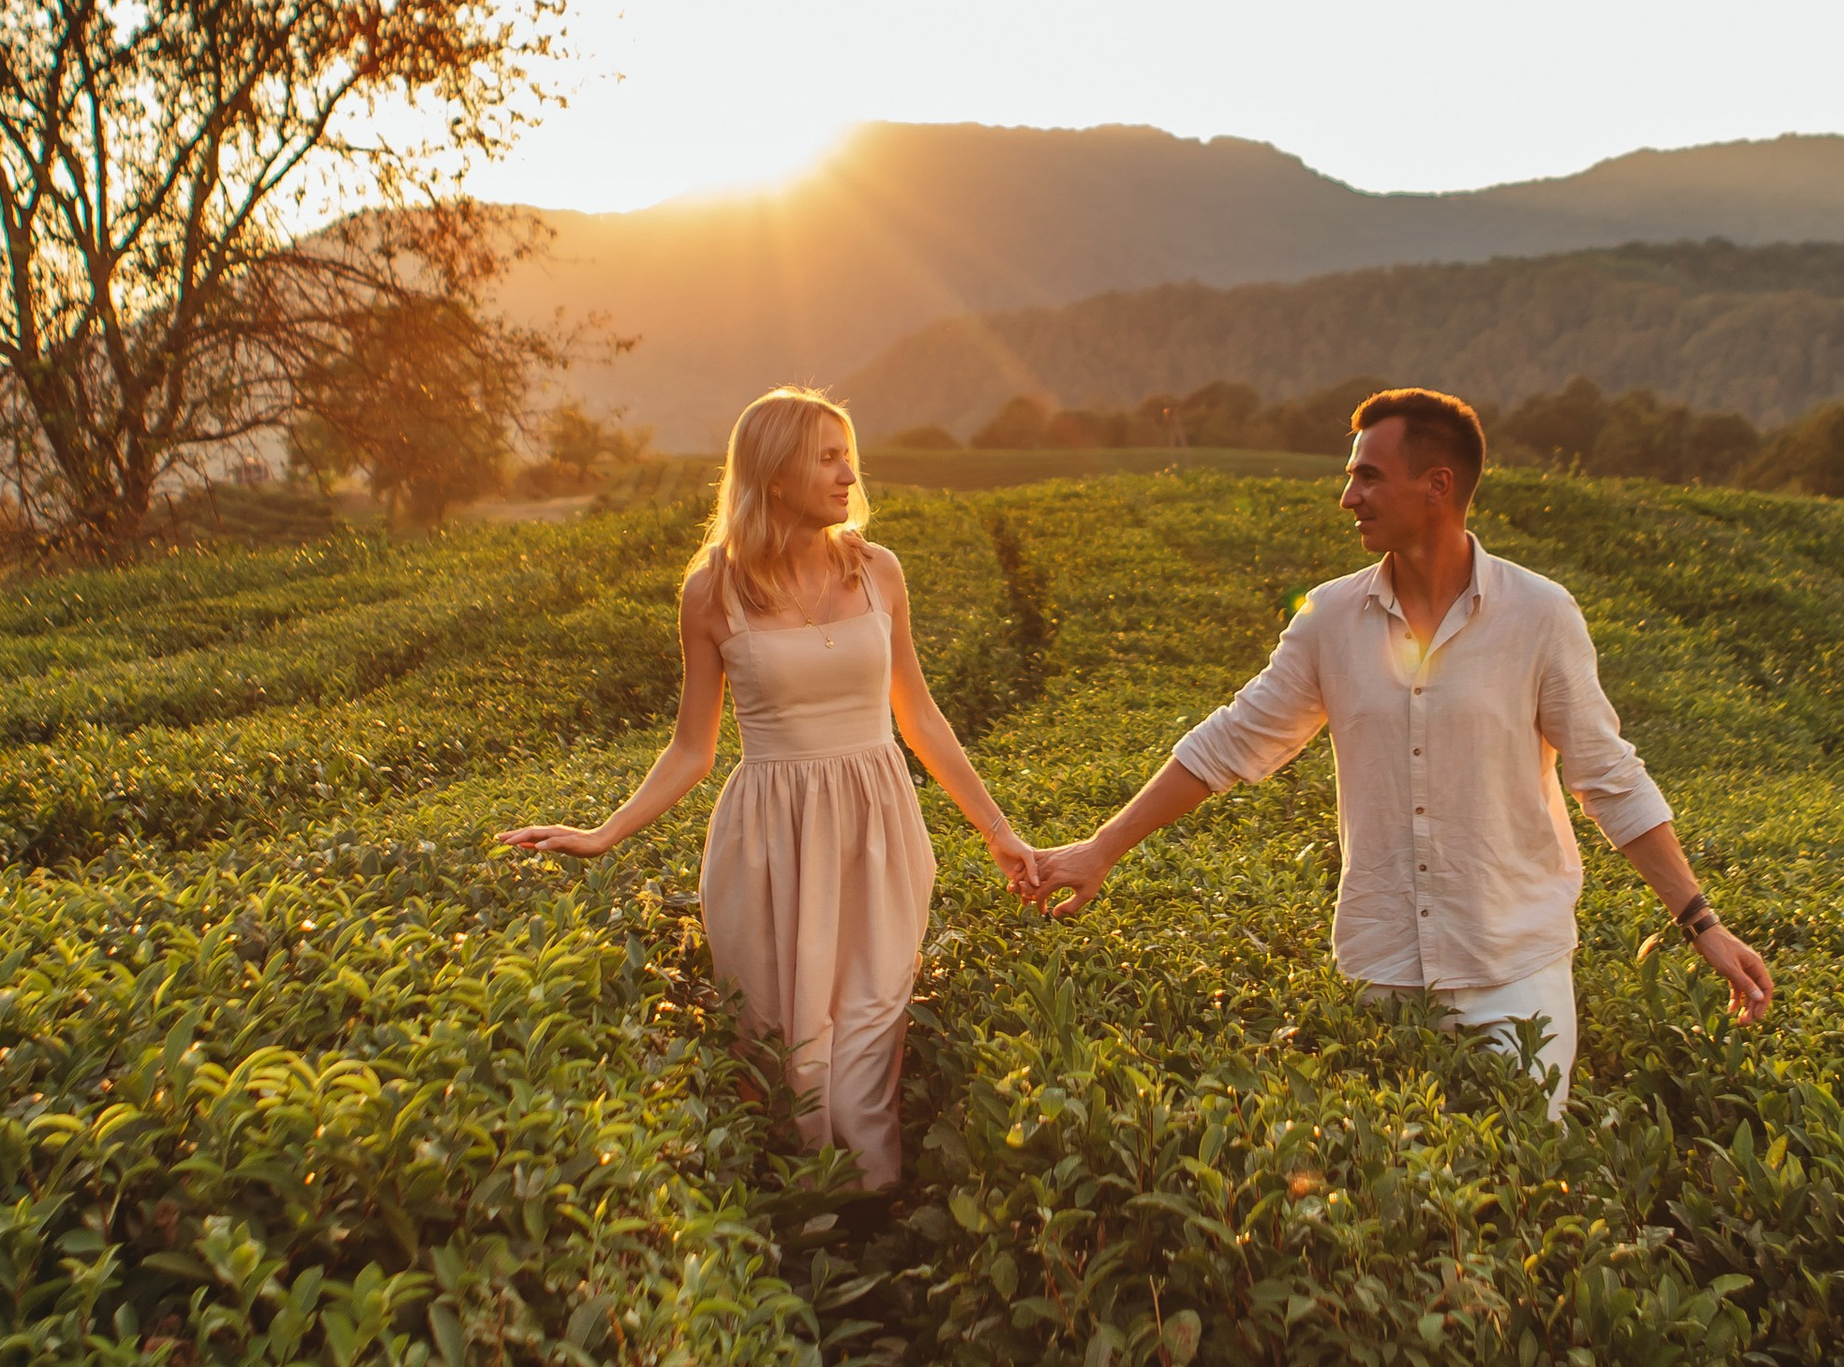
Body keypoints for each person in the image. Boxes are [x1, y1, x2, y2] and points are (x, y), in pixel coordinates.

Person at [1024, 385, 1770, 1103]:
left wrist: (1701, 922)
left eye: (1368, 477)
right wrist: (1102, 847)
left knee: (1516, 1193)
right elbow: (1229, 742)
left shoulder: (1540, 615)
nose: (1348, 497)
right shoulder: (1329, 618)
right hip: (1381, 970)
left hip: (1511, 973)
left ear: (1437, 485)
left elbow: (1609, 776)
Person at [500, 386, 1034, 1187]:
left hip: (877, 830)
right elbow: (691, 748)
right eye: (827, 456)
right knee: (785, 1046)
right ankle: (806, 1235)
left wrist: (1000, 833)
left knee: (865, 1032)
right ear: (774, 473)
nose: (849, 472)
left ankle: (871, 1209)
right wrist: (605, 831)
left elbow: (919, 716)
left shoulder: (879, 571)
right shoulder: (710, 592)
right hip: (768, 842)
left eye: (847, 453)